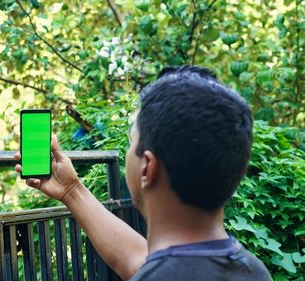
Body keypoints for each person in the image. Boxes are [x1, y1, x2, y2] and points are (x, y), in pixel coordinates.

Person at [14, 65, 271, 280]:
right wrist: (72, 192)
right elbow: (143, 261)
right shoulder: (252, 270)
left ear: (147, 167)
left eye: (131, 141)